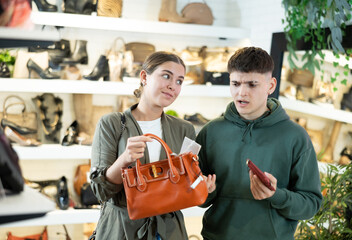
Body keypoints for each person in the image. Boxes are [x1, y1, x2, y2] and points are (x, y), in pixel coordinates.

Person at [195, 47, 322, 240]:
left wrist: (276, 195)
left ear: (270, 86)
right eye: (235, 83)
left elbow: (310, 205)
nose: (241, 93)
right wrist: (205, 191)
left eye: (252, 85)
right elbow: (198, 198)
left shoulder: (296, 137)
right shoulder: (210, 131)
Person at [90, 51, 215, 240]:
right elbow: (100, 190)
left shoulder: (184, 129)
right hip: (121, 230)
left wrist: (202, 187)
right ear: (144, 77)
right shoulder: (112, 124)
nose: (172, 86)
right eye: (166, 76)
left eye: (179, 81)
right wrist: (124, 159)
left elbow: (185, 189)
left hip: (169, 230)